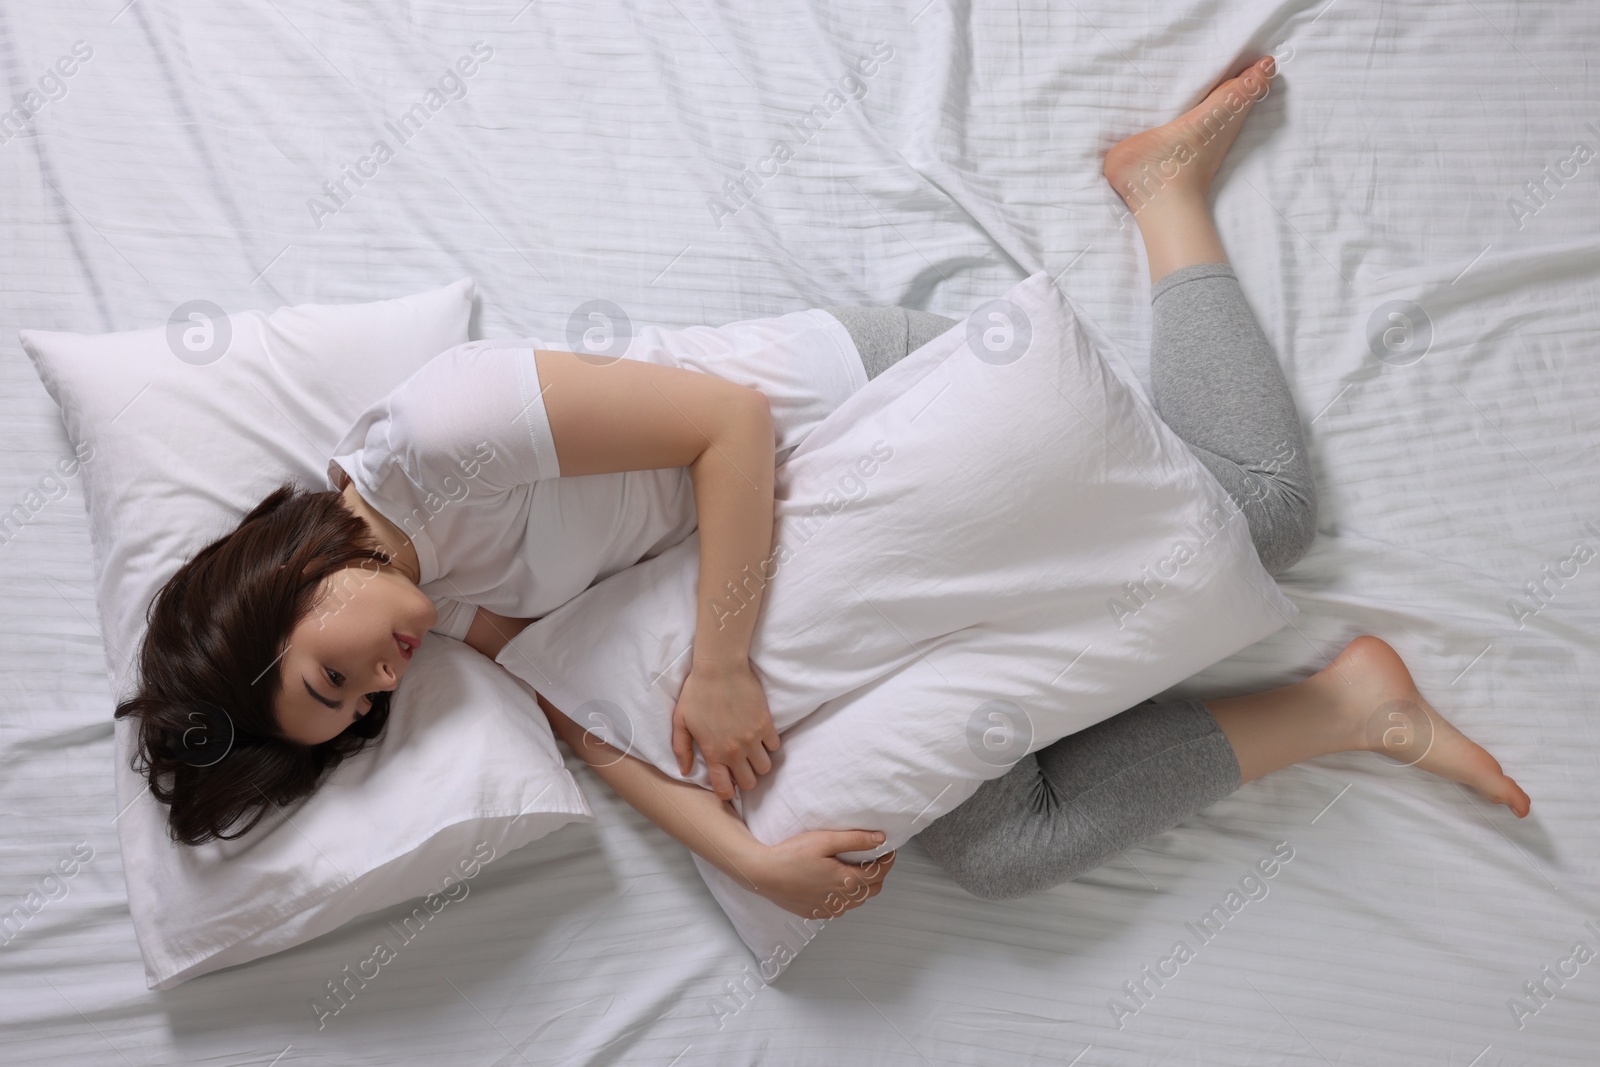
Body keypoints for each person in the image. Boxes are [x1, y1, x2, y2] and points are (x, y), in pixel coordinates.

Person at [115, 57, 1527, 923]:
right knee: (992, 843)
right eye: (358, 713)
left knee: (1262, 512)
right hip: (787, 550)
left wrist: (722, 667)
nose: (379, 686)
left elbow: (726, 426)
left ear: (276, 591)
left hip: (841, 408)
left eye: (330, 678)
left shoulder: (442, 429)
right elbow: (580, 724)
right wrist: (739, 857)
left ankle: (1167, 199)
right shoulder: (431, 599)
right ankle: (1353, 706)